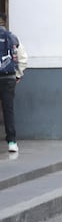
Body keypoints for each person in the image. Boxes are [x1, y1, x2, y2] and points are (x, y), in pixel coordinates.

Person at [0, 14, 22, 152]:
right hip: (9, 77)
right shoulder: (11, 36)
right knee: (8, 110)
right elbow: (20, 55)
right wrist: (18, 74)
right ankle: (12, 141)